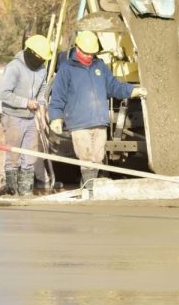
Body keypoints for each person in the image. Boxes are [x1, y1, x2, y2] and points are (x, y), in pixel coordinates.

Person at [48, 31, 147, 191]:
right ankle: (89, 190)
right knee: (86, 158)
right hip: (79, 123)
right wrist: (56, 118)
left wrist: (133, 91)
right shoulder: (67, 69)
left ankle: (90, 188)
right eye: (86, 53)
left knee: (98, 158)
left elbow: (114, 86)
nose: (89, 56)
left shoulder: (99, 66)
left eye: (92, 53)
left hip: (99, 121)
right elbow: (58, 96)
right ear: (77, 48)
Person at [0, 34, 51, 196]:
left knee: (29, 156)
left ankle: (26, 192)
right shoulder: (15, 67)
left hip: (30, 118)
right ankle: (12, 191)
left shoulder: (41, 69)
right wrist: (26, 102)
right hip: (13, 117)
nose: (42, 62)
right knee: (13, 156)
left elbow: (42, 90)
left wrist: (42, 111)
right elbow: (3, 94)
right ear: (32, 53)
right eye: (40, 58)